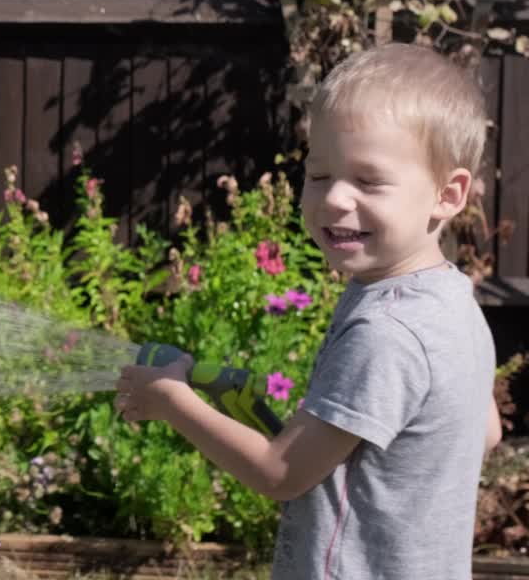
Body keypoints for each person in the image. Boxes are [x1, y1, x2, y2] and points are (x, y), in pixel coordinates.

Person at [114, 43, 501, 579]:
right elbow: (486, 432)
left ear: (448, 194)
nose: (336, 198)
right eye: (319, 175)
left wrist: (174, 402)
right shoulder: (453, 301)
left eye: (368, 180)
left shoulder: (386, 332)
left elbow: (281, 473)